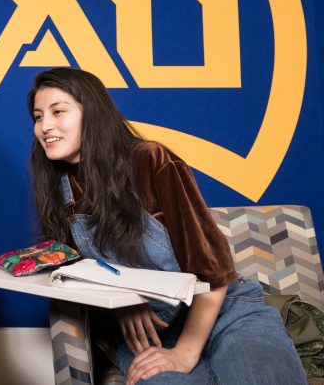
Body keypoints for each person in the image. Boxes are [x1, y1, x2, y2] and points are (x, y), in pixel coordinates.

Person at [27, 67, 306, 384]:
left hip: (226, 313)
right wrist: (125, 302)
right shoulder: (58, 187)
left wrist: (186, 352)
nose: (44, 126)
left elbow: (215, 270)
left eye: (57, 111)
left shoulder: (150, 160)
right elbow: (78, 272)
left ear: (91, 113)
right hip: (150, 336)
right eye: (37, 117)